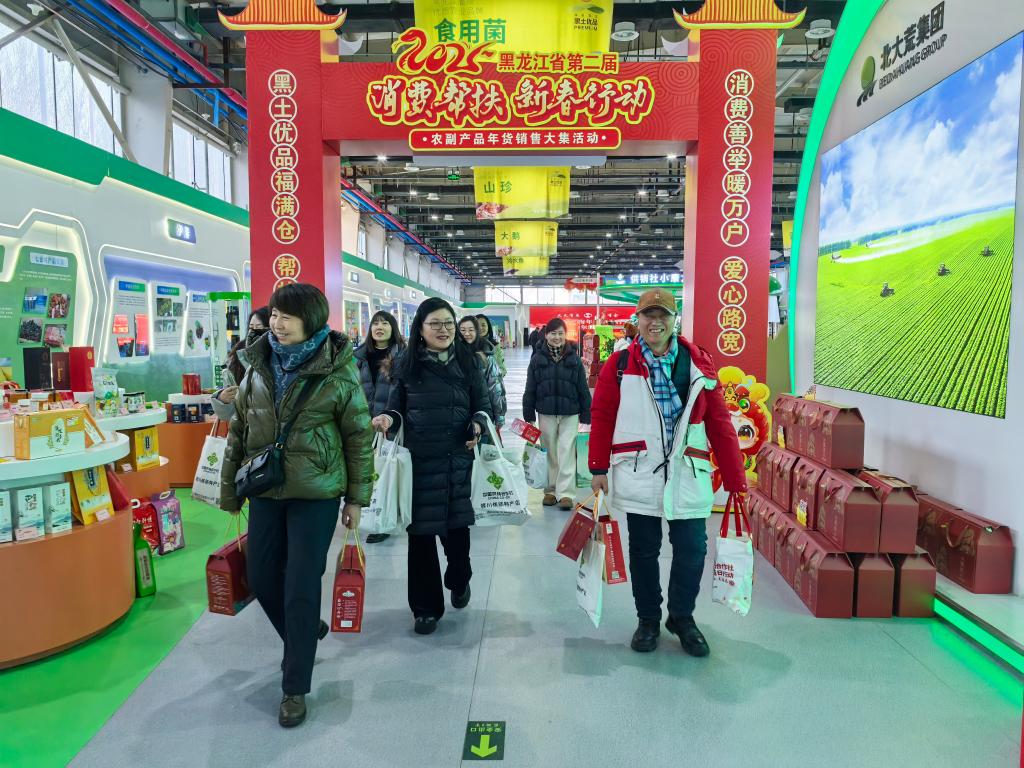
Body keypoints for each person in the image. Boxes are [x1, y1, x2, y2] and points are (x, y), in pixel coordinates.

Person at [219, 284, 373, 729]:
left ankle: (294, 686)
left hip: (316, 493)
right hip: (265, 489)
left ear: (312, 320)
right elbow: (239, 429)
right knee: (263, 576)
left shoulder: (337, 371)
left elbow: (358, 436)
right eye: (274, 315)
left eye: (287, 317)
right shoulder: (256, 364)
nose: (277, 323)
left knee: (301, 584)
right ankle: (305, 631)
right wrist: (230, 492)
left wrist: (356, 498)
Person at [588, 288, 746, 658]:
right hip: (639, 469)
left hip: (687, 471)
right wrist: (597, 467)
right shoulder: (620, 365)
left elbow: (720, 423)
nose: (655, 322)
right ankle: (648, 619)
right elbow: (602, 415)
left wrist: (735, 478)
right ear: (638, 319)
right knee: (644, 551)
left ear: (675, 320)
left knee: (692, 548)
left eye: (663, 315)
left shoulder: (698, 364)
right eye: (648, 315)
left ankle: (681, 616)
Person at [371, 298, 490, 636]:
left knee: (457, 537)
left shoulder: (469, 362)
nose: (443, 329)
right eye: (435, 323)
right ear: (420, 329)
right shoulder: (406, 364)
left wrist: (478, 424)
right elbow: (396, 409)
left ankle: (460, 579)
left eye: (448, 323)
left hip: (457, 461)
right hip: (418, 464)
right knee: (421, 539)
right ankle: (425, 609)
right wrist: (387, 419)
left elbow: (483, 406)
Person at [522, 318, 592, 510]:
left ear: (565, 335)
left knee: (567, 451)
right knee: (549, 451)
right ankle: (551, 491)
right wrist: (528, 413)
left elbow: (583, 388)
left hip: (570, 413)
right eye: (553, 333)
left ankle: (566, 493)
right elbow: (530, 388)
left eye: (560, 333)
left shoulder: (574, 359)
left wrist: (586, 414)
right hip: (545, 412)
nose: (557, 337)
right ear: (546, 335)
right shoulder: (537, 359)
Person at [353, 310, 407, 544]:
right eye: (375, 323)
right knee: (370, 470)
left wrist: (392, 416)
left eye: (385, 323)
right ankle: (371, 513)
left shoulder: (403, 355)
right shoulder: (358, 356)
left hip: (392, 421)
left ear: (392, 328)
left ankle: (385, 517)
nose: (379, 327)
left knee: (388, 470)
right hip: (364, 422)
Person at [211, 307, 269, 421]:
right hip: (247, 427)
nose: (254, 332)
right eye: (251, 327)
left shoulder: (280, 358)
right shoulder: (237, 358)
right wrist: (222, 399)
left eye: (259, 327)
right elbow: (230, 415)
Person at [458, 316, 506, 428]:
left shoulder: (487, 356)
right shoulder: (453, 355)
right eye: (463, 330)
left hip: (483, 412)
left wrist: (499, 416)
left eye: (471, 330)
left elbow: (495, 388)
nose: (467, 333)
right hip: (459, 415)